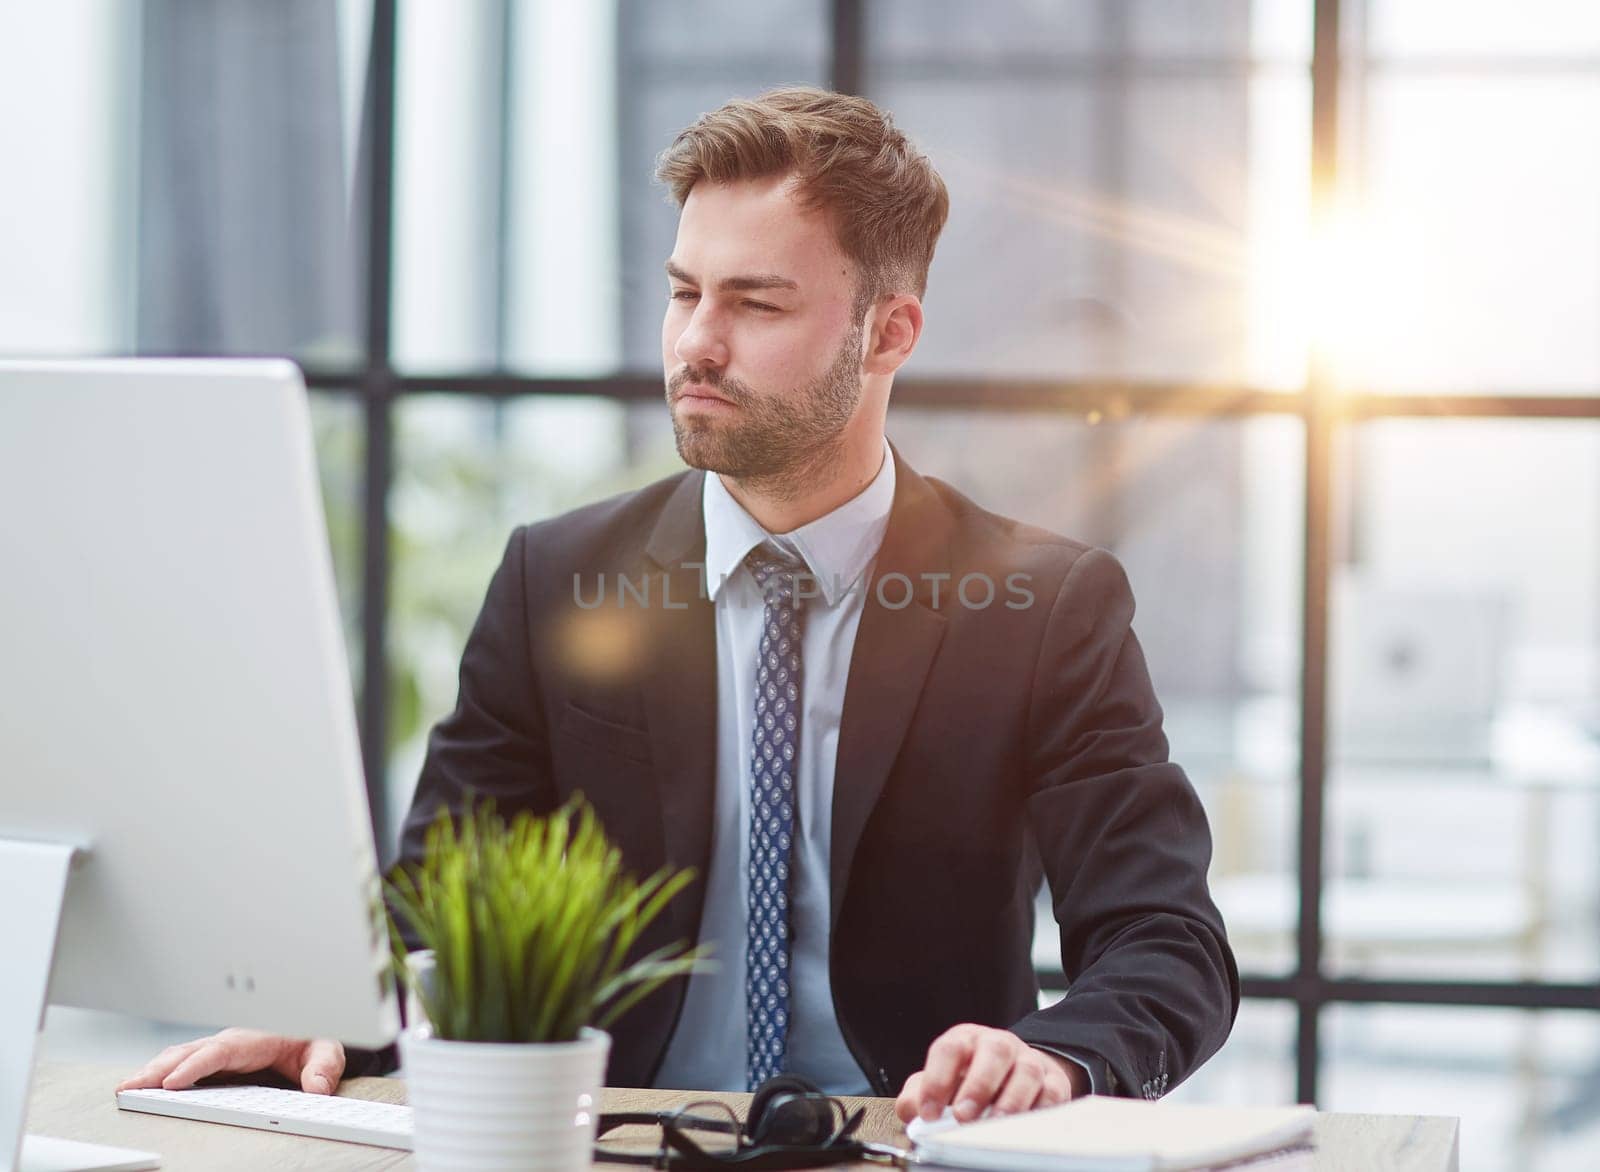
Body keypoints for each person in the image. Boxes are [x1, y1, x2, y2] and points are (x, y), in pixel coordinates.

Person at [122, 87, 1237, 1125]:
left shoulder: (1042, 606)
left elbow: (1164, 939)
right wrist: (337, 1004)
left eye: (756, 302)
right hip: (607, 1135)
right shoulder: (552, 580)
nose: (696, 341)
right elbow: (433, 907)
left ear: (890, 333)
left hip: (901, 1138)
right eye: (683, 291)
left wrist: (1056, 1057)